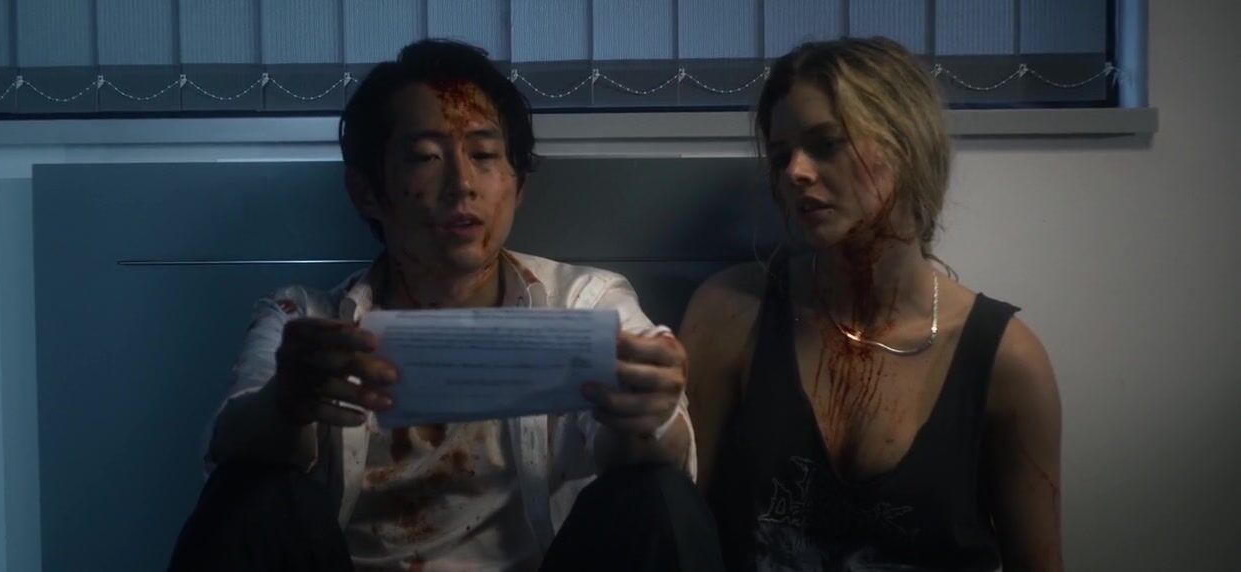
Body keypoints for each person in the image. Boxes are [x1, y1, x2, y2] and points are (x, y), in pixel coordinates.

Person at [168, 39, 721, 572]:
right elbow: (229, 449)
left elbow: (657, 461)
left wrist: (647, 416)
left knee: (657, 491)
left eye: (484, 155)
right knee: (250, 485)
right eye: (426, 157)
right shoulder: (305, 322)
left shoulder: (586, 302)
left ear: (518, 185)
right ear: (366, 191)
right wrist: (286, 403)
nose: (462, 185)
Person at [681, 38, 1062, 571]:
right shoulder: (731, 313)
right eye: (781, 155)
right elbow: (674, 524)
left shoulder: (1004, 360)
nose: (795, 172)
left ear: (907, 144)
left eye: (826, 144)